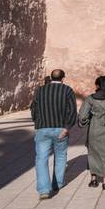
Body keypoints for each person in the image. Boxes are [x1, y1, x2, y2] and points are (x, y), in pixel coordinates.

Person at [30, 69, 77, 199]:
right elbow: (72, 111)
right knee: (61, 156)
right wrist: (67, 128)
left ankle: (44, 190)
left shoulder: (40, 90)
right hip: (61, 129)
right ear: (63, 78)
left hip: (43, 129)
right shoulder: (67, 90)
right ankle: (58, 183)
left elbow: (34, 108)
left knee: (41, 159)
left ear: (51, 77)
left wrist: (37, 123)